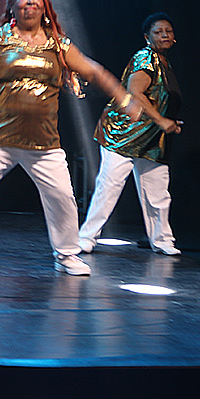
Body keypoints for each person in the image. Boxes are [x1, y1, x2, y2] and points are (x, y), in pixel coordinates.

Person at [0, 0, 173, 276]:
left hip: (43, 144)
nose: (30, 2)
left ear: (44, 7)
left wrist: (125, 98)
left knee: (63, 198)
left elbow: (93, 71)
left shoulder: (58, 44)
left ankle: (67, 254)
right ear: (13, 5)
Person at [78, 14, 184, 255]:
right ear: (147, 38)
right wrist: (161, 120)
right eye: (158, 32)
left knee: (158, 192)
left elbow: (158, 99)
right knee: (110, 186)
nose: (165, 35)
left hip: (150, 138)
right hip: (123, 133)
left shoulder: (165, 64)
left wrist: (167, 121)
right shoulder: (146, 57)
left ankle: (162, 240)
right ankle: (86, 237)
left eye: (168, 31)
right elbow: (135, 93)